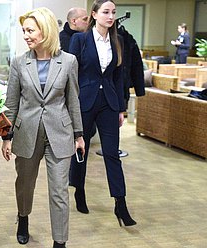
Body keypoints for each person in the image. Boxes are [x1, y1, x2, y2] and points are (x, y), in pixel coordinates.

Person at [1, 7, 84, 248]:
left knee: (59, 191)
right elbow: (12, 102)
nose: (26, 35)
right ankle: (23, 218)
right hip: (26, 132)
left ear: (45, 30)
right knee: (25, 184)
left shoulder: (68, 61)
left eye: (30, 30)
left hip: (60, 133)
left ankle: (60, 242)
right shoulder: (19, 62)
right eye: (24, 31)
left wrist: (79, 135)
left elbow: (73, 100)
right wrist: (7, 136)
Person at [68, 0, 137, 227]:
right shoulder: (80, 40)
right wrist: (70, 106)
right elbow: (70, 74)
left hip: (108, 102)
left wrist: (121, 108)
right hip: (84, 101)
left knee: (112, 153)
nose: (111, 16)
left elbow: (119, 77)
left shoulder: (118, 42)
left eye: (113, 12)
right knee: (82, 149)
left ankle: (121, 204)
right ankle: (79, 189)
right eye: (106, 12)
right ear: (94, 15)